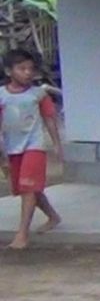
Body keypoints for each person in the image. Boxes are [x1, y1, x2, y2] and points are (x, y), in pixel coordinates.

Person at [0, 47, 63, 249]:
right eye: (21, 68)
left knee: (28, 188)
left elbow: (50, 120)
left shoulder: (39, 94)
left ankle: (22, 234)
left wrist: (56, 145)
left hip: (34, 146)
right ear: (9, 71)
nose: (27, 73)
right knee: (27, 188)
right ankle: (53, 216)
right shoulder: (1, 96)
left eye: (30, 69)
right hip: (12, 148)